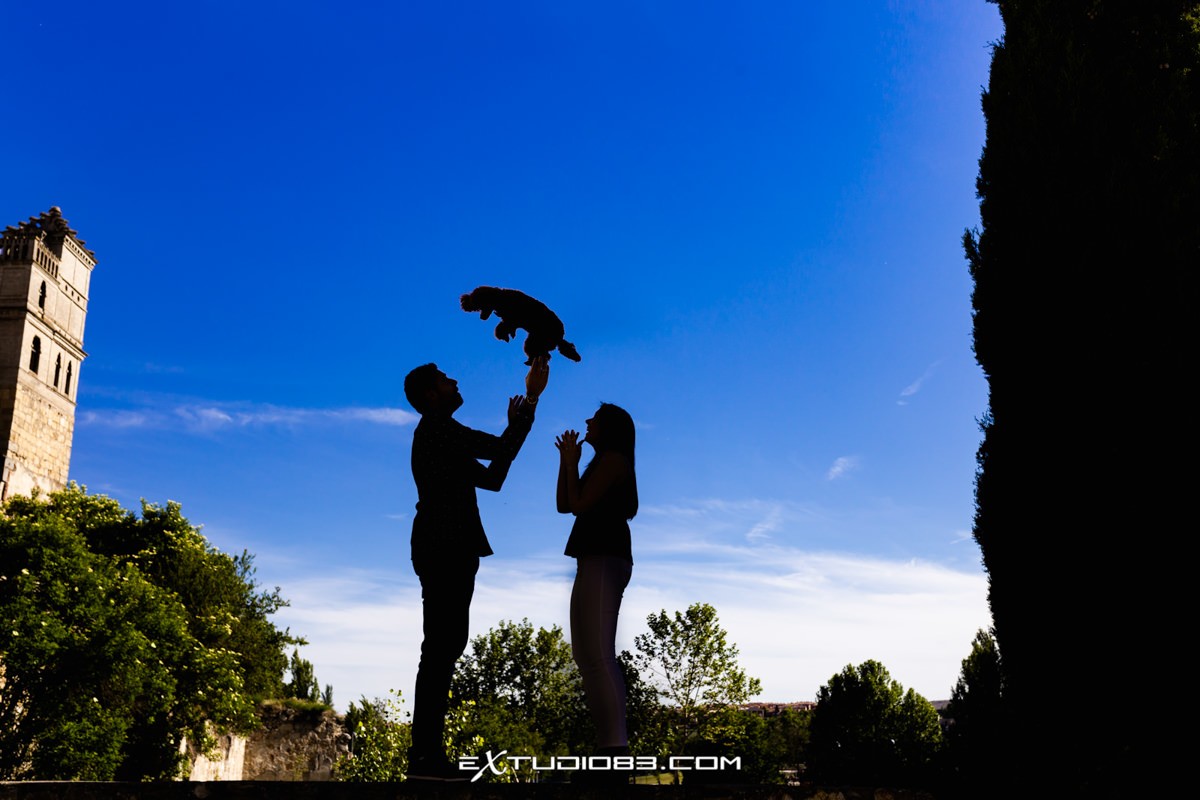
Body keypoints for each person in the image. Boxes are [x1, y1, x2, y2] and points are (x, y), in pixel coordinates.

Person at [403, 356, 549, 780]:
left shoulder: (440, 435)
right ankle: (426, 757)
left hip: (447, 548)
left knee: (444, 649)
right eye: (447, 381)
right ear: (431, 395)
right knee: (440, 651)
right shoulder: (439, 430)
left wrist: (518, 421)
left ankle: (427, 755)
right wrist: (532, 401)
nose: (454, 383)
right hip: (444, 547)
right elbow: (500, 452)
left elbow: (494, 477)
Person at [555, 403, 638, 774]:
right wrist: (568, 461)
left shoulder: (615, 460)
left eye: (595, 418)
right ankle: (609, 747)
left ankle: (614, 753)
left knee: (599, 654)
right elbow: (564, 504)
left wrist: (572, 462)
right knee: (586, 654)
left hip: (605, 555)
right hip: (593, 557)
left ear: (610, 428)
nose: (587, 421)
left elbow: (577, 504)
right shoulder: (602, 461)